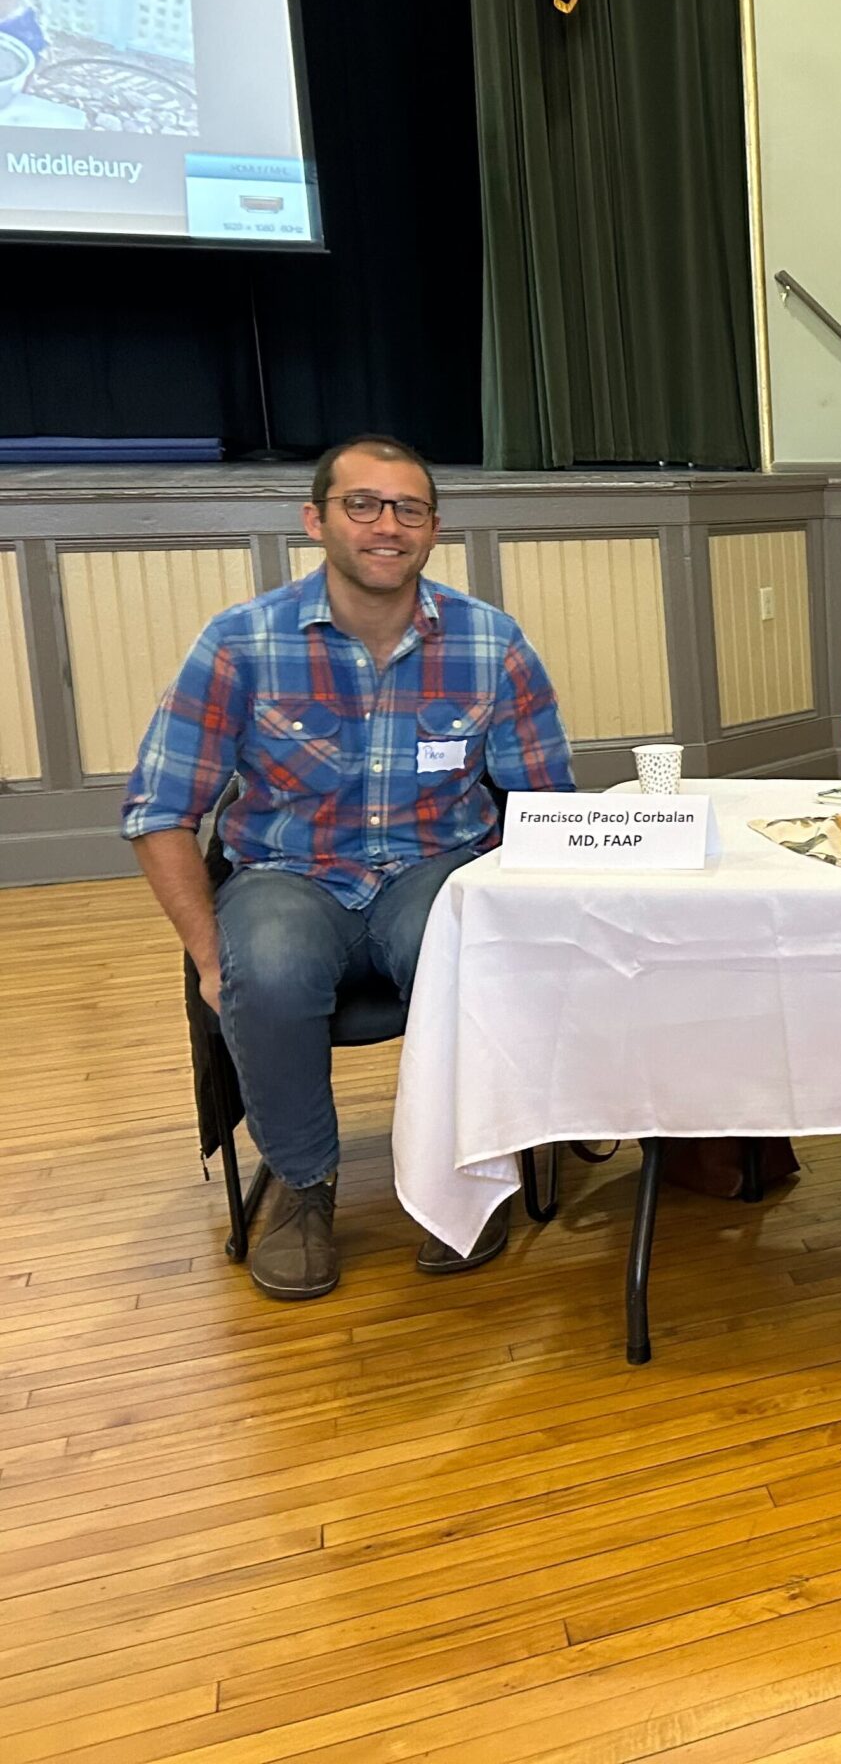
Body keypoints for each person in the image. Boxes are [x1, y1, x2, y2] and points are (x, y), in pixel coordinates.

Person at [124, 436, 574, 1301]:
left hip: (437, 863)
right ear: (316, 519)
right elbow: (158, 810)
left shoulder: (491, 642)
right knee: (267, 965)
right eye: (362, 505)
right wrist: (210, 961)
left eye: (409, 509)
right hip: (288, 874)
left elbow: (546, 802)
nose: (386, 526)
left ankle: (466, 1178)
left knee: (463, 945)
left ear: (433, 529)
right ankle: (303, 1187)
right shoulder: (241, 643)